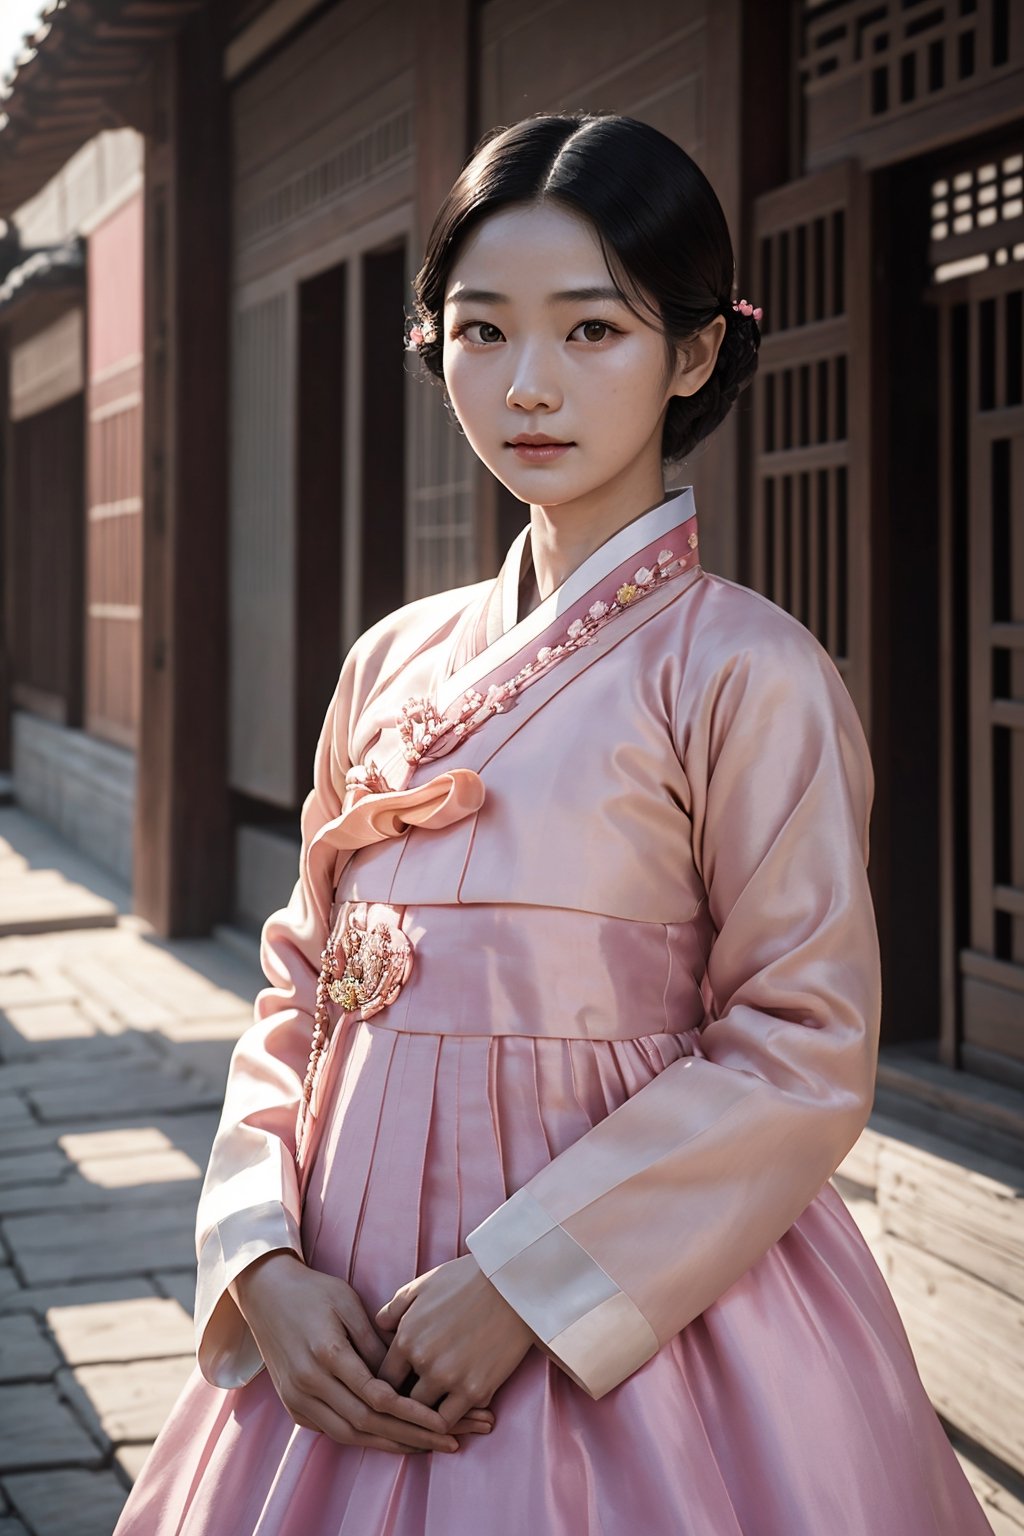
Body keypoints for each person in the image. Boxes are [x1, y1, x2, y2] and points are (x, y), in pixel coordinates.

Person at [112, 111, 995, 1535]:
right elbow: (298, 986)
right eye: (481, 332)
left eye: (592, 333)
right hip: (341, 1298)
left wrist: (528, 1279)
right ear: (434, 344)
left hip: (638, 1307)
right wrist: (261, 1262)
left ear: (694, 353)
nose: (529, 386)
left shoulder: (747, 672)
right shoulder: (390, 661)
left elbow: (802, 1045)